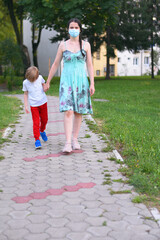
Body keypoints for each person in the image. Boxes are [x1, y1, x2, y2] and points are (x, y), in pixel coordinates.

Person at [45, 18, 95, 153]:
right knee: (68, 111)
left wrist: (92, 83)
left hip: (81, 82)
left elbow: (89, 64)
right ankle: (67, 143)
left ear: (80, 29)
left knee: (79, 112)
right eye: (71, 27)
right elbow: (55, 64)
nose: (73, 30)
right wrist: (48, 81)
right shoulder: (63, 45)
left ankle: (75, 139)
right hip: (66, 82)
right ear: (68, 30)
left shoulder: (86, 45)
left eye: (76, 27)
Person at [22, 66, 48, 149]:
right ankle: (37, 140)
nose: (32, 81)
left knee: (45, 120)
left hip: (43, 102)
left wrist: (45, 88)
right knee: (36, 122)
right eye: (31, 79)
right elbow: (25, 94)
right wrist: (26, 105)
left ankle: (42, 130)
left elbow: (44, 85)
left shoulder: (40, 78)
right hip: (34, 106)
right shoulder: (25, 83)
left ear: (37, 76)